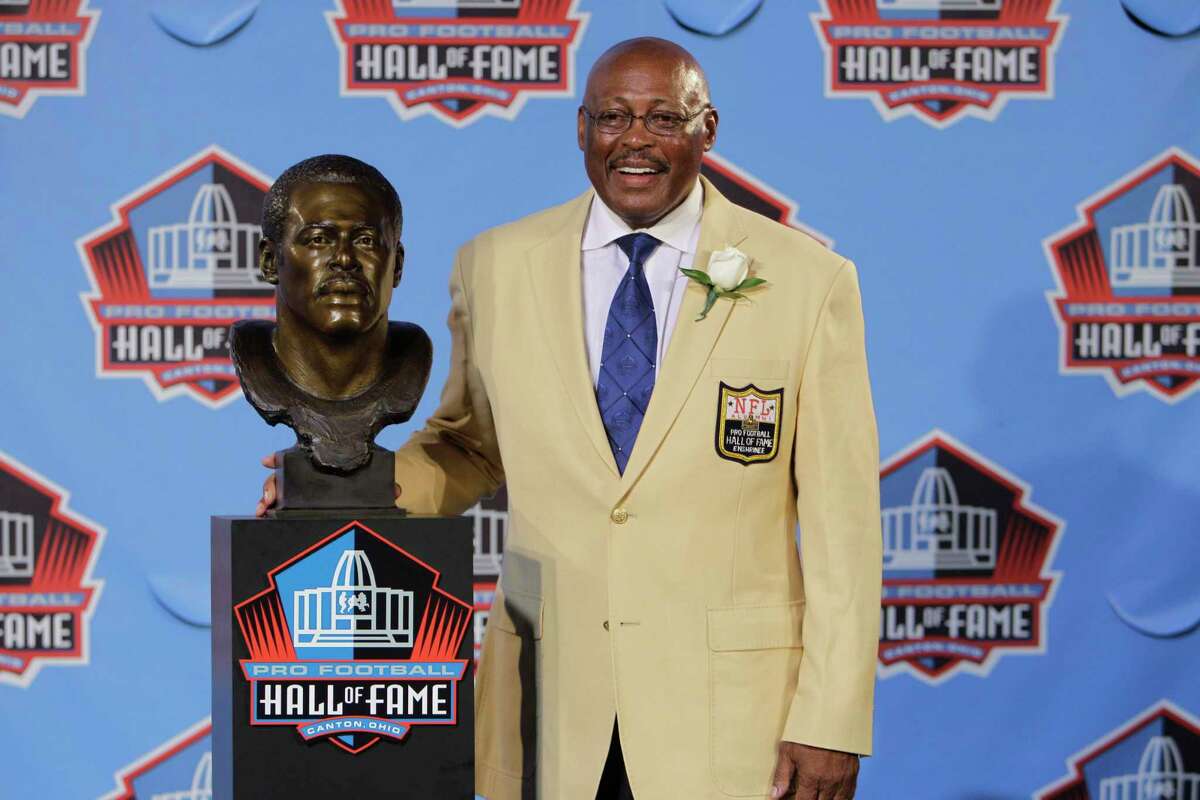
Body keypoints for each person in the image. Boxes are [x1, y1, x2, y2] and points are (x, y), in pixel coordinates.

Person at [258, 37, 882, 800]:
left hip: (732, 720)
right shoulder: (494, 264)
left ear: (708, 129)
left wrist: (831, 717)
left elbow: (843, 521)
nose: (636, 141)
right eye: (614, 117)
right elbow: (467, 447)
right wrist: (348, 486)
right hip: (550, 704)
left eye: (664, 117)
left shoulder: (805, 281)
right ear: (582, 128)